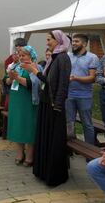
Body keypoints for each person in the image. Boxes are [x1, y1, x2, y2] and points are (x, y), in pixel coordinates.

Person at [21, 30, 71, 186]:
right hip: (45, 103)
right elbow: (47, 81)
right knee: (45, 139)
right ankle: (43, 171)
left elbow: (62, 85)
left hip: (54, 105)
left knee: (54, 141)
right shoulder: (54, 58)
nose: (47, 42)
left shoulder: (63, 58)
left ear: (58, 40)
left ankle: (54, 175)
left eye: (49, 39)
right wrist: (35, 70)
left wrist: (58, 105)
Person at [6, 46, 41, 167]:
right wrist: (10, 78)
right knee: (18, 126)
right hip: (16, 101)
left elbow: (32, 84)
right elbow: (7, 82)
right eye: (20, 55)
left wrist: (17, 78)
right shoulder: (16, 66)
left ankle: (30, 155)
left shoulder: (35, 67)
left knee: (28, 127)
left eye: (24, 55)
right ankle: (20, 153)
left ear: (31, 56)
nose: (21, 58)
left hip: (28, 101)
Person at [65, 34, 100, 144]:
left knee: (87, 124)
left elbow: (92, 78)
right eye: (73, 41)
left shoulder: (92, 57)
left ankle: (89, 152)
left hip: (84, 95)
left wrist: (76, 78)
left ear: (84, 44)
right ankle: (70, 149)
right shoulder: (68, 56)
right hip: (69, 94)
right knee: (69, 123)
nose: (73, 43)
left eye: (76, 41)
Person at [0, 38, 28, 138]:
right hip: (11, 90)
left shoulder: (28, 60)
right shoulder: (10, 61)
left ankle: (11, 131)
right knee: (5, 104)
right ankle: (4, 129)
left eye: (19, 46)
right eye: (16, 46)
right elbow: (7, 78)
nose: (17, 48)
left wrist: (13, 78)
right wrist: (9, 79)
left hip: (22, 92)